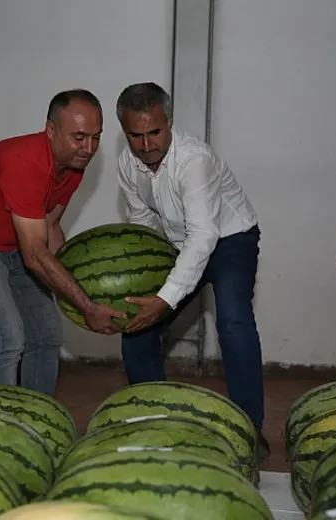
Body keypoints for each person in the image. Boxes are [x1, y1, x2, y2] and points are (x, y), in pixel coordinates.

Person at [0, 89, 126, 396]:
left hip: (12, 249)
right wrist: (86, 306)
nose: (89, 148)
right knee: (8, 337)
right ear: (51, 130)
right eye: (79, 137)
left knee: (47, 334)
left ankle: (37, 415)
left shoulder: (73, 165)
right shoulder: (25, 163)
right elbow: (36, 254)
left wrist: (86, 288)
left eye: (96, 137)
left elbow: (50, 227)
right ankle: (1, 424)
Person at [113, 81, 268, 458]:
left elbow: (203, 237)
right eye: (136, 135)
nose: (147, 144)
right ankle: (155, 423)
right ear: (124, 132)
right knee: (136, 330)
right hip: (179, 244)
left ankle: (250, 429)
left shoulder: (193, 160)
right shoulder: (128, 164)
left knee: (232, 320)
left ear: (169, 123)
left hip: (230, 240)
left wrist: (165, 299)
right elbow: (143, 223)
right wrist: (142, 287)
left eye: (155, 132)